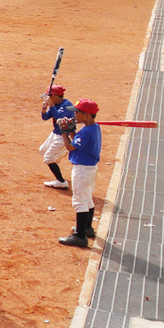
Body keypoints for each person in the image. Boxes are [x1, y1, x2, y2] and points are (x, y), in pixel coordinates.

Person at [59, 99, 101, 247]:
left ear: (87, 116)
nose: (75, 114)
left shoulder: (88, 131)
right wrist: (71, 130)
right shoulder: (93, 128)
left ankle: (80, 236)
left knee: (79, 201)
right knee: (87, 198)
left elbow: (70, 147)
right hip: (89, 169)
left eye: (78, 112)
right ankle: (87, 228)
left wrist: (63, 132)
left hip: (82, 170)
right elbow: (78, 141)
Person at [40, 84, 74, 189]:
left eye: (48, 96)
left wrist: (52, 106)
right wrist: (44, 109)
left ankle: (61, 182)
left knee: (48, 158)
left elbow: (60, 119)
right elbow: (45, 117)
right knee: (42, 150)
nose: (46, 98)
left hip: (63, 136)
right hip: (55, 132)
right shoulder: (55, 104)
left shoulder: (68, 105)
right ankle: (62, 152)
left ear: (54, 97)